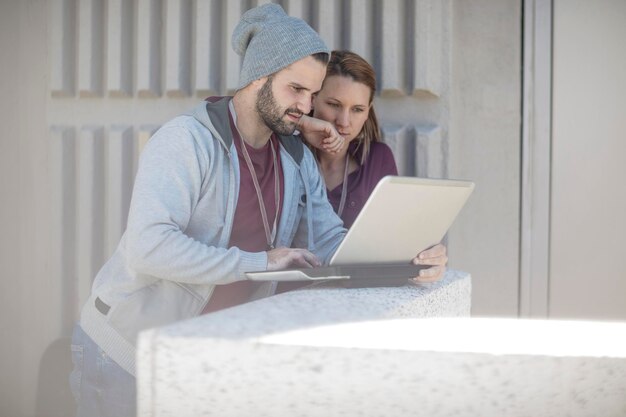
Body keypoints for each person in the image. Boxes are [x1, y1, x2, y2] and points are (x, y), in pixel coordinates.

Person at [69, 4, 448, 417]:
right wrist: (258, 263)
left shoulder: (295, 157)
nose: (306, 106)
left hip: (205, 359)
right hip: (128, 352)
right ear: (258, 77)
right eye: (296, 90)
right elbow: (148, 247)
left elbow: (331, 240)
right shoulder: (186, 141)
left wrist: (407, 259)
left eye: (311, 93)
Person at [299, 50, 397, 228]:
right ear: (313, 99)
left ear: (368, 110)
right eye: (334, 105)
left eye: (357, 109)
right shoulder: (285, 151)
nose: (343, 122)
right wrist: (297, 123)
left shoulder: (378, 158)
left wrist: (426, 251)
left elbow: (395, 230)